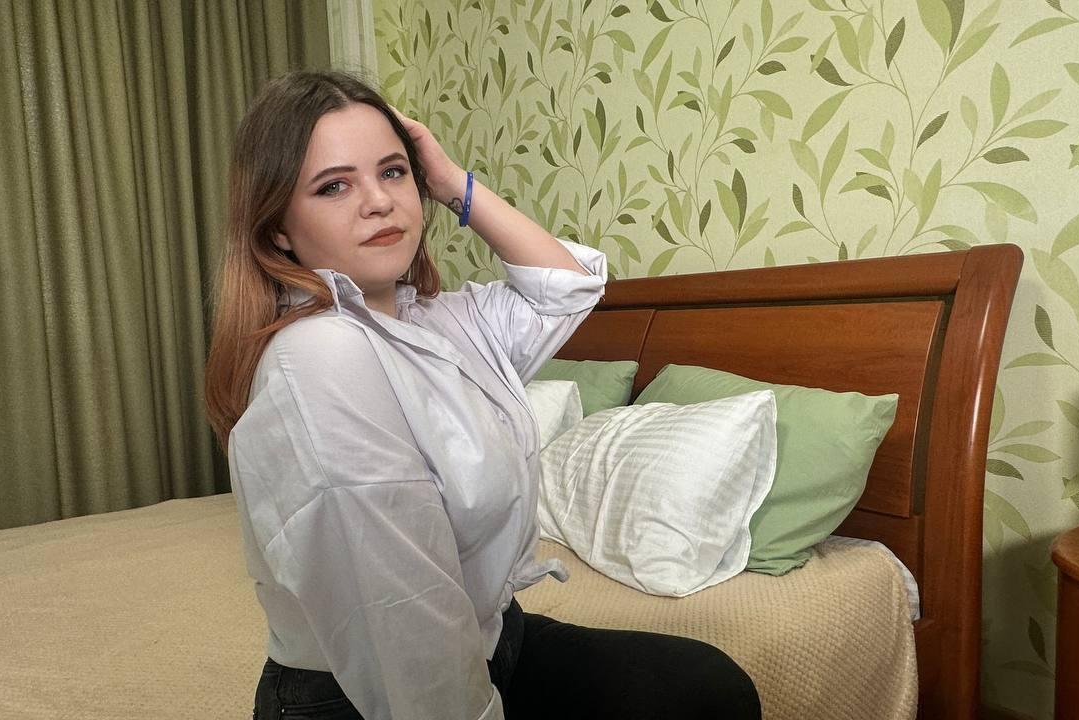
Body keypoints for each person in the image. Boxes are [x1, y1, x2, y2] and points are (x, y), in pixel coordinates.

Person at [203, 70, 760, 720]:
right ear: (277, 228)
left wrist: (449, 182)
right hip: (373, 691)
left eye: (393, 172)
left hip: (496, 636)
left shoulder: (440, 320)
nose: (379, 202)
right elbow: (404, 616)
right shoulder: (319, 355)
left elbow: (571, 287)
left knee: (707, 687)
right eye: (334, 185)